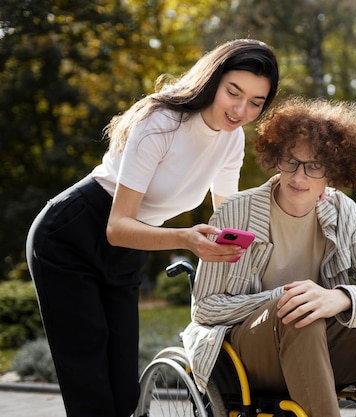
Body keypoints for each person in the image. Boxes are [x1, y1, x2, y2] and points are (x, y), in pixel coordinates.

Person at [25, 39, 279, 417]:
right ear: (213, 80)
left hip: (131, 246)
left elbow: (229, 213)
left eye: (256, 102)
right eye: (234, 92)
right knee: (90, 384)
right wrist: (185, 238)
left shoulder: (231, 139)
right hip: (72, 236)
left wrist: (289, 192)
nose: (242, 109)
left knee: (125, 389)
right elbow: (117, 226)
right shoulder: (161, 121)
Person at [182, 96, 356, 417]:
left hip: (321, 347)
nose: (299, 177)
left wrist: (339, 298)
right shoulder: (236, 211)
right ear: (276, 158)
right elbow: (204, 308)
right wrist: (280, 297)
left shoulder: (344, 212)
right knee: (299, 311)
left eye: (314, 166)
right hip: (252, 356)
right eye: (291, 161)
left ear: (332, 170)